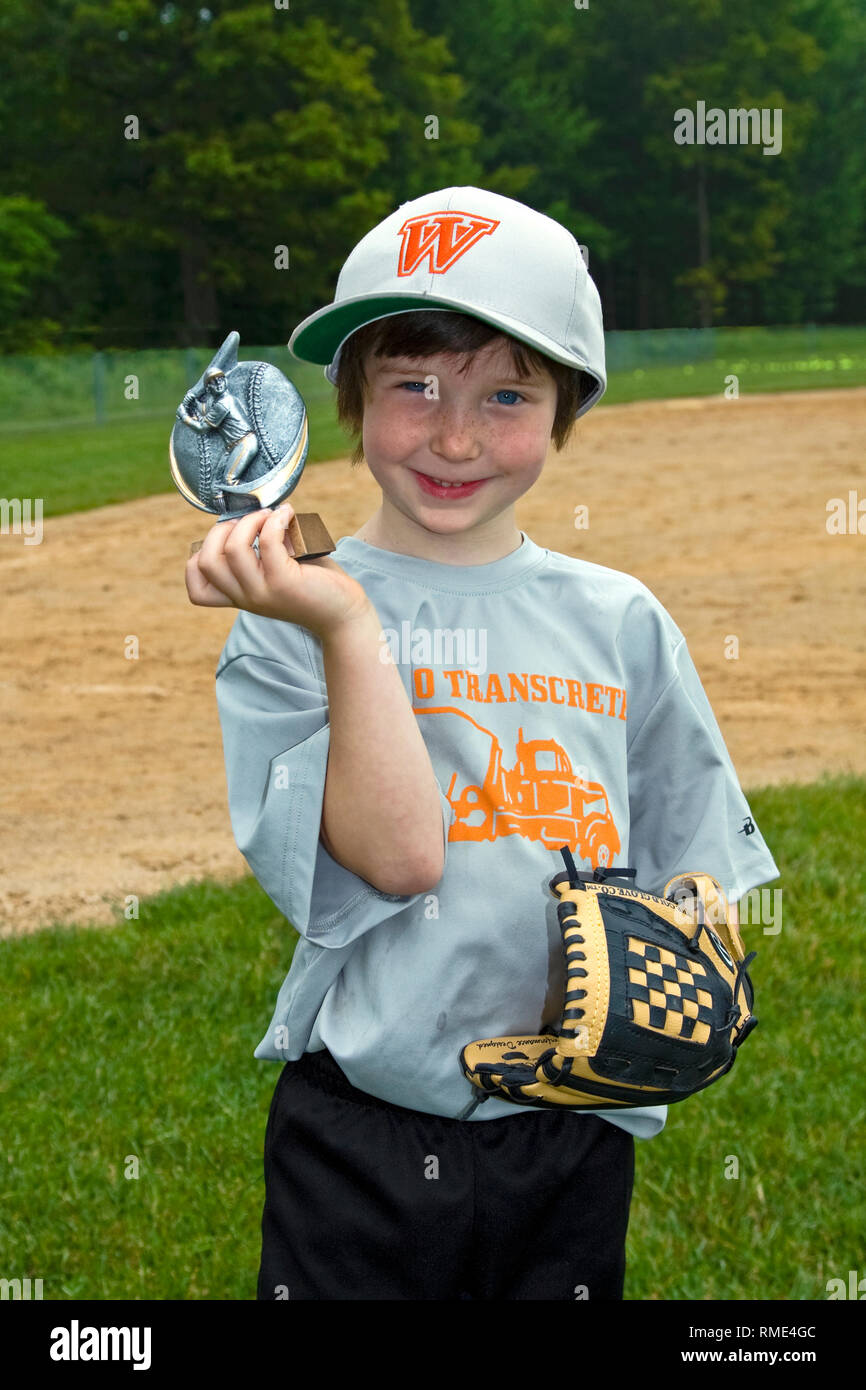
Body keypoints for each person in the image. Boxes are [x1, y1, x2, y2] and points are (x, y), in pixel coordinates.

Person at [185, 186, 779, 1301]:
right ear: (349, 400)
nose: (454, 436)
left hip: (568, 1132)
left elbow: (695, 855)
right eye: (412, 384)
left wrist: (691, 958)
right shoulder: (293, 619)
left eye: (507, 393)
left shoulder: (618, 619)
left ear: (563, 413)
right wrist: (346, 625)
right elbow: (400, 857)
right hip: (359, 1132)